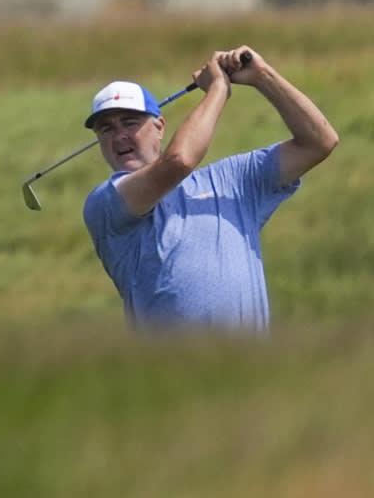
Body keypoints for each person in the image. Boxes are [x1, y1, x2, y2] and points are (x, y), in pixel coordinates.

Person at [79, 45, 339, 332]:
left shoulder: (232, 179)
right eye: (107, 129)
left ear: (160, 127)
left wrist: (262, 76)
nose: (119, 136)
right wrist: (218, 89)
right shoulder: (105, 203)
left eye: (130, 123)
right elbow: (179, 160)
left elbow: (319, 142)